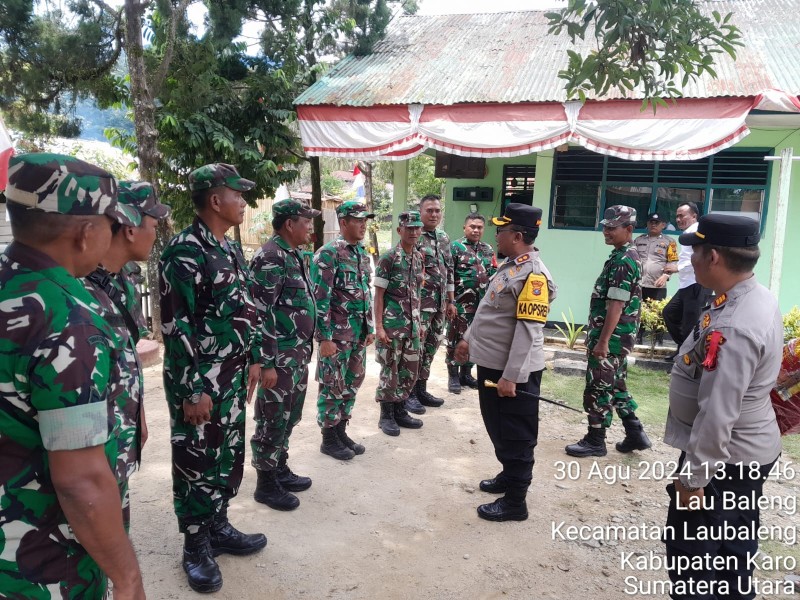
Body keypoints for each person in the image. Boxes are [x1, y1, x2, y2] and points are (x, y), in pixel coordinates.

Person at [0, 153, 145, 599]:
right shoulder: (66, 321)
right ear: (86, 234)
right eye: (108, 224)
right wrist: (128, 579)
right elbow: (80, 479)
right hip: (45, 561)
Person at [159, 163, 267, 594]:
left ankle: (218, 524)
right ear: (215, 199)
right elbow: (175, 325)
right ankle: (195, 543)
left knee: (227, 453)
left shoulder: (229, 247)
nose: (244, 200)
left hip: (232, 376)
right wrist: (193, 388)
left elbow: (245, 307)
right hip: (201, 380)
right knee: (196, 459)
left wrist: (255, 357)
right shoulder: (184, 251)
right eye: (237, 193)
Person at [663, 213, 782, 599]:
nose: (690, 260)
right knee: (732, 551)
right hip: (741, 453)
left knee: (692, 557)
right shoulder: (749, 296)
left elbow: (719, 413)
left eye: (694, 252)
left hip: (724, 461)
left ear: (712, 256)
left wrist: (694, 478)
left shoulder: (734, 324)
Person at [454, 203, 556, 522]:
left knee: (516, 433)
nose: (496, 235)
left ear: (518, 235)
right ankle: (508, 474)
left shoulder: (534, 275)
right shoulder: (511, 266)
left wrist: (512, 376)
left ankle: (516, 500)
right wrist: (468, 338)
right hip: (492, 365)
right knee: (498, 426)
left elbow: (527, 330)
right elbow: (489, 310)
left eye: (502, 230)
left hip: (513, 371)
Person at [84, 180, 170, 532]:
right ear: (131, 228)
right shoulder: (80, 289)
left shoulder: (123, 279)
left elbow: (127, 356)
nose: (155, 234)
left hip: (120, 425)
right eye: (153, 225)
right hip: (91, 441)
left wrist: (138, 415)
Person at [565, 205, 652, 458]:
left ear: (629, 229)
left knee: (598, 387)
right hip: (618, 337)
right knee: (616, 385)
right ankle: (635, 433)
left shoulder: (625, 260)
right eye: (605, 226)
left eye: (612, 228)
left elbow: (616, 304)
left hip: (611, 339)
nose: (606, 231)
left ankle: (595, 440)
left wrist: (602, 341)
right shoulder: (622, 255)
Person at [250, 198, 319, 510]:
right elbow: (259, 313)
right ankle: (265, 484)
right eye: (306, 221)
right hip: (278, 358)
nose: (310, 226)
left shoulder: (294, 254)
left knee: (289, 415)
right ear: (290, 224)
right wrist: (265, 363)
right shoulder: (270, 257)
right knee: (272, 418)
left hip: (297, 354)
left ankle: (279, 467)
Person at [311, 201, 376, 460]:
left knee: (351, 384)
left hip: (357, 335)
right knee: (331, 386)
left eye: (365, 220)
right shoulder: (328, 253)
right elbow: (319, 299)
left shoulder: (360, 253)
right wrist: (324, 338)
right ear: (344, 222)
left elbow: (364, 294)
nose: (363, 225)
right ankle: (328, 439)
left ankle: (340, 431)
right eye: (358, 220)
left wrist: (369, 326)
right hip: (336, 337)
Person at [374, 211, 426, 436]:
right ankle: (386, 415)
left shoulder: (418, 257)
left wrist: (420, 322)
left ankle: (400, 409)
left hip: (413, 326)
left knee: (409, 370)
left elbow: (418, 291)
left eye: (417, 228)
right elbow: (378, 295)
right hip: (392, 326)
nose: (413, 232)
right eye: (409, 228)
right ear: (399, 230)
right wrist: (378, 327)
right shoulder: (389, 258)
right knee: (390, 370)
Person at [407, 194, 456, 413]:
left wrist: (451, 300)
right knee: (415, 349)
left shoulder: (444, 238)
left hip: (439, 304)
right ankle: (408, 394)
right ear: (420, 212)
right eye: (429, 210)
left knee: (431, 347)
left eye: (437, 210)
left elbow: (449, 270)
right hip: (419, 305)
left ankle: (421, 389)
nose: (434, 214)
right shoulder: (413, 236)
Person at [446, 213, 496, 394]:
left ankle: (466, 374)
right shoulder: (456, 248)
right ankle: (453, 375)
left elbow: (493, 274)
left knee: (474, 339)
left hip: (481, 306)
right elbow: (448, 275)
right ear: (464, 228)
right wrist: (449, 301)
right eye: (472, 226)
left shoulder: (488, 249)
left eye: (479, 227)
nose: (476, 230)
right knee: (455, 338)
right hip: (460, 305)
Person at [662, 202, 713, 351]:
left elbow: (701, 257)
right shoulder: (687, 234)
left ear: (694, 216)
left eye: (681, 215)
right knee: (670, 313)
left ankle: (687, 356)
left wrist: (677, 267)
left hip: (698, 284)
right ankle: (684, 350)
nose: (678, 219)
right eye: (677, 216)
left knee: (690, 323)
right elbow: (687, 258)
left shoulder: (698, 232)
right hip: (686, 285)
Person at [634, 212, 678, 343]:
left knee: (658, 313)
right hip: (640, 283)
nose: (653, 225)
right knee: (638, 310)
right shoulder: (638, 240)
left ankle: (658, 340)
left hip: (657, 284)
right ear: (647, 224)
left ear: (663, 225)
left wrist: (666, 276)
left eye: (657, 223)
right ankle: (638, 337)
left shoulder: (669, 242)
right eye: (651, 222)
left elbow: (673, 261)